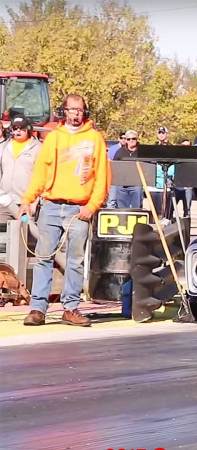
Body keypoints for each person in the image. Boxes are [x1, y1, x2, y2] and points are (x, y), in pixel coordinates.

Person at [20, 94, 110, 327]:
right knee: (43, 258)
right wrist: (28, 198)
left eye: (79, 110)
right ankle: (38, 309)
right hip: (50, 206)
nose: (75, 113)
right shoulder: (54, 138)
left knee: (75, 260)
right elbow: (40, 171)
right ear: (64, 111)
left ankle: (70, 308)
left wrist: (92, 206)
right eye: (71, 109)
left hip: (79, 209)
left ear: (85, 112)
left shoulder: (95, 139)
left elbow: (103, 178)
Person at [0, 116, 42, 221]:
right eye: (15, 128)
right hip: (4, 202)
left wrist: (35, 202)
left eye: (22, 128)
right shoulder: (4, 147)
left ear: (28, 129)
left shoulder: (38, 148)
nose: (18, 131)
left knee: (25, 234)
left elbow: (42, 177)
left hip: (26, 204)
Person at [110, 130, 143, 208]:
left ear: (137, 139)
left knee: (137, 209)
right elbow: (115, 167)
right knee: (122, 209)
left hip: (136, 184)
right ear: (126, 140)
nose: (131, 141)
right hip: (122, 185)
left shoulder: (142, 151)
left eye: (133, 138)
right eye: (128, 139)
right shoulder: (120, 152)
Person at [173, 138, 193, 217]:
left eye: (188, 146)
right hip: (176, 186)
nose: (186, 147)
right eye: (183, 146)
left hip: (188, 186)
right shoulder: (176, 157)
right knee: (171, 208)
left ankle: (186, 223)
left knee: (187, 209)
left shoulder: (192, 158)